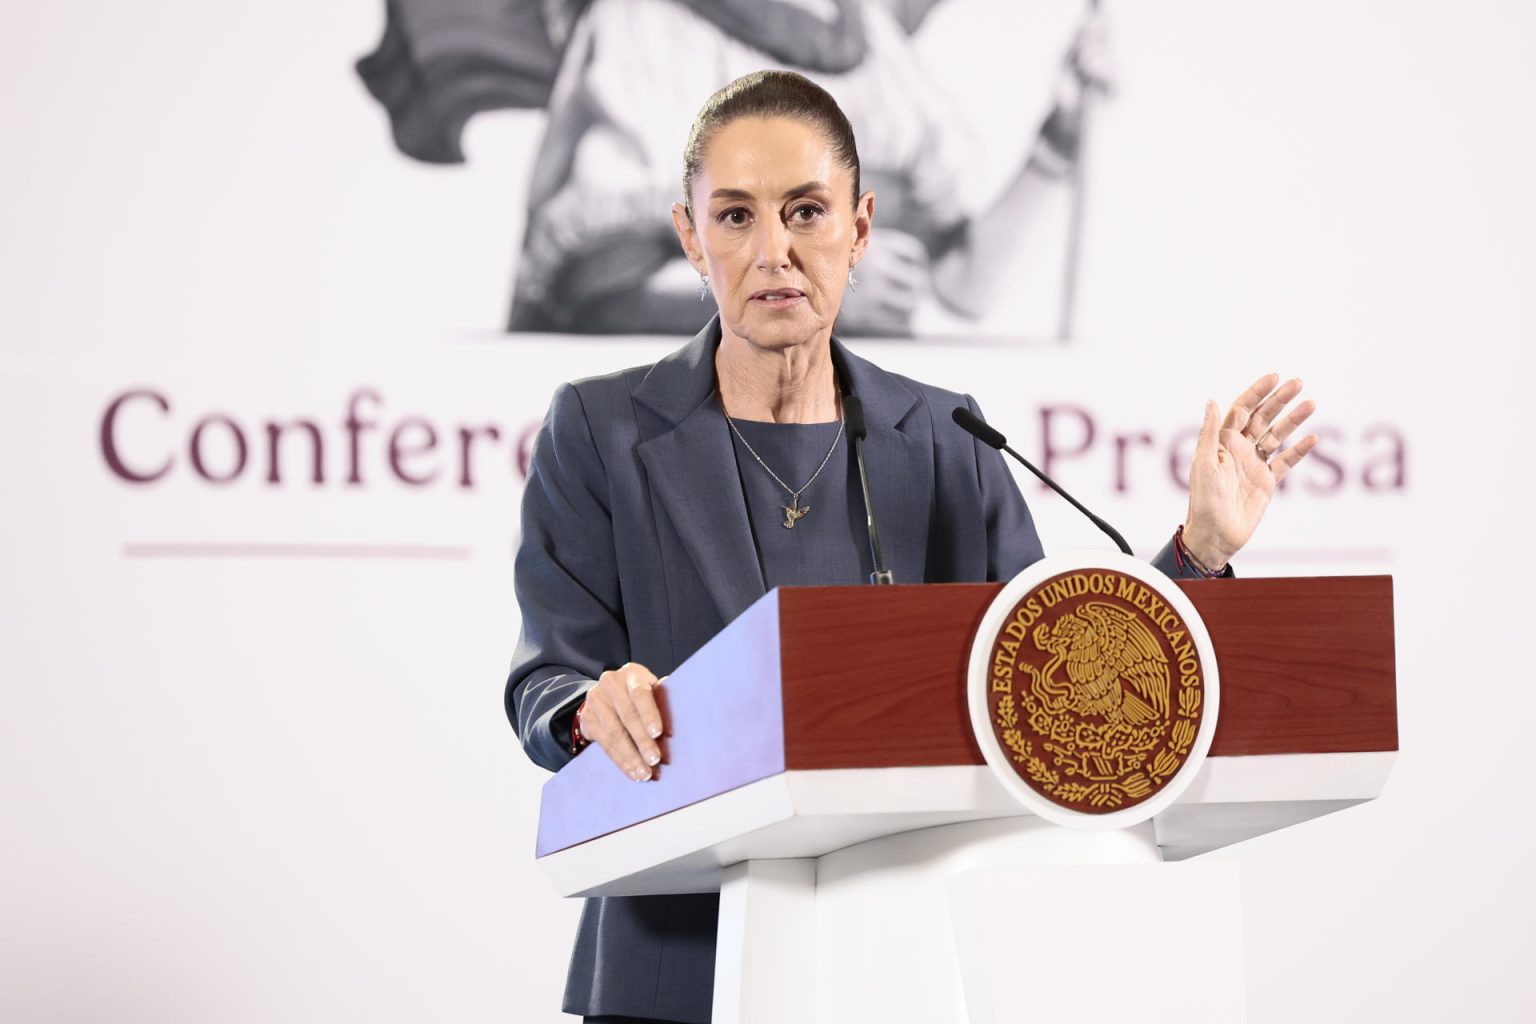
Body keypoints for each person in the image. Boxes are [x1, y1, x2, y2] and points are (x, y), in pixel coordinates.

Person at [504, 70, 1317, 1024]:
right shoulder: (599, 430)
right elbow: (546, 679)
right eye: (734, 217)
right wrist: (589, 709)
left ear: (860, 226)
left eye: (806, 211)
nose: (774, 251)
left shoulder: (944, 439)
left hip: (905, 960)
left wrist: (1199, 555)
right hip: (679, 960)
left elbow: (1053, 686)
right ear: (689, 236)